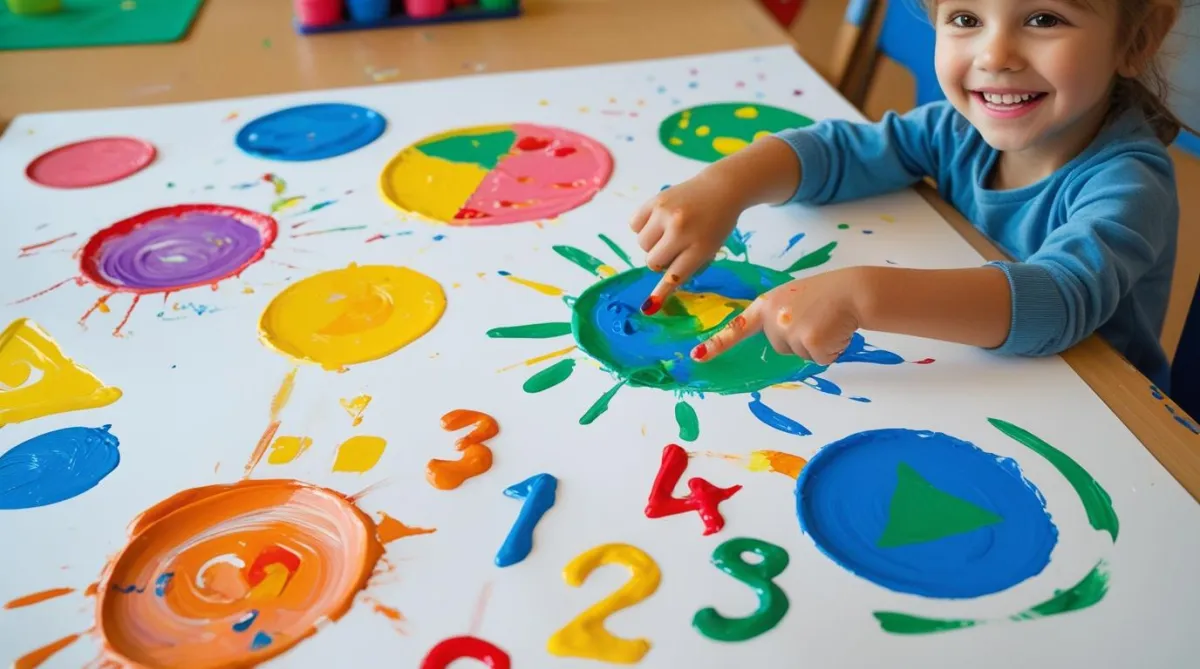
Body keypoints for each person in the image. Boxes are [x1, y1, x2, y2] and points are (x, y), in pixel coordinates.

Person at [630, 0, 1193, 391]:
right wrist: (726, 185)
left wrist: (862, 294)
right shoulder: (956, 130)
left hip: (1108, 416)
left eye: (1044, 19)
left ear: (1136, 39)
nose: (995, 56)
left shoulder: (1128, 181)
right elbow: (844, 153)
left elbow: (1061, 301)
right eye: (966, 19)